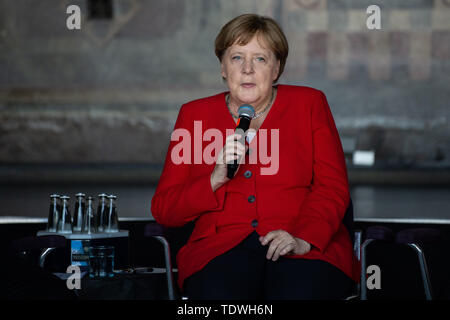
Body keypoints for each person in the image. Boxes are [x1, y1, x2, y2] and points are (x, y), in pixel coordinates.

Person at [151, 13, 360, 300]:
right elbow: (165, 209)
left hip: (300, 241)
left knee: (301, 293)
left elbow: (332, 187)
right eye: (237, 58)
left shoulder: (309, 104)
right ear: (223, 67)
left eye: (260, 58)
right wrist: (212, 179)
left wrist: (303, 239)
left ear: (277, 68)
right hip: (219, 249)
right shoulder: (193, 115)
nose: (247, 69)